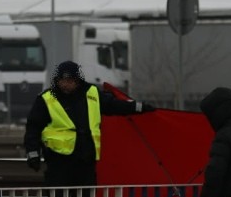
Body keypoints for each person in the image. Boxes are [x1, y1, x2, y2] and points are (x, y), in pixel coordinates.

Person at [23, 60, 155, 188]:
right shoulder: (46, 98)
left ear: (77, 81)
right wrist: (33, 153)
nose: (65, 85)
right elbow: (33, 128)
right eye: (62, 81)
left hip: (85, 161)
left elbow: (115, 105)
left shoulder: (93, 94)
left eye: (69, 81)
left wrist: (139, 107)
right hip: (58, 162)